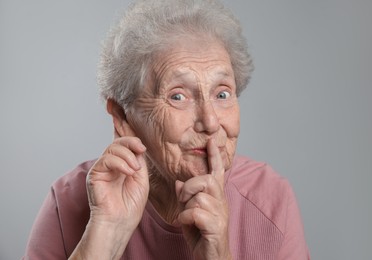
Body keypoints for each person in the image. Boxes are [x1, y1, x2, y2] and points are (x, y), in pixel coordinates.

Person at [24, 0, 310, 259]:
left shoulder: (270, 200)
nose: (210, 122)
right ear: (123, 117)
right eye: (178, 96)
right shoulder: (69, 201)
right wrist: (106, 232)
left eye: (222, 94)